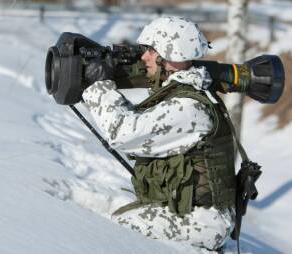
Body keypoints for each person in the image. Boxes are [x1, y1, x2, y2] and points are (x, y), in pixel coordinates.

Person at [81, 16, 236, 251]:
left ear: (169, 55)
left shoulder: (187, 107)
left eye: (150, 51)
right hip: (192, 210)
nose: (144, 58)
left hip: (203, 222)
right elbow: (141, 125)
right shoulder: (187, 90)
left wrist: (100, 86)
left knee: (119, 226)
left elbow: (123, 134)